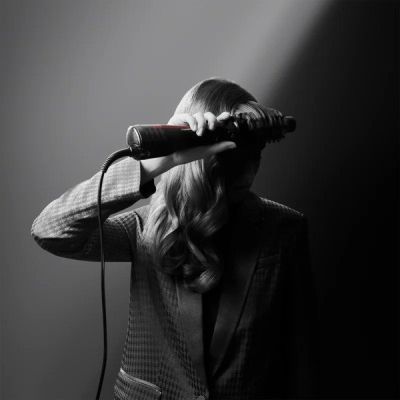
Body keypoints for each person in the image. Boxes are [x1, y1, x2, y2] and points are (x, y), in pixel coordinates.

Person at [31, 77, 320, 399]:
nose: (249, 171)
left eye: (256, 154)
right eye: (232, 157)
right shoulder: (145, 228)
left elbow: (301, 353)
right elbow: (51, 229)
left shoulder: (284, 228)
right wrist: (159, 162)